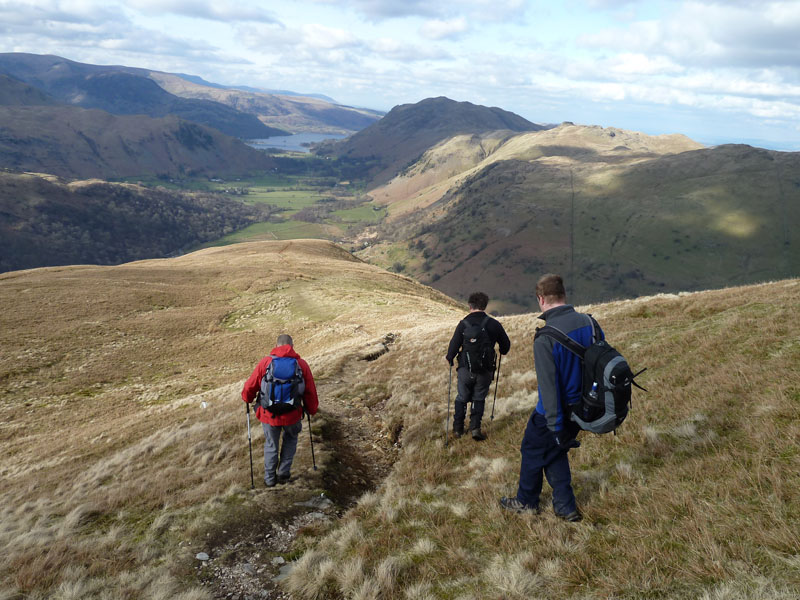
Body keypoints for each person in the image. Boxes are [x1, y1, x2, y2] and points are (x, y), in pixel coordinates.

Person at [500, 274, 603, 521]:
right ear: (563, 295)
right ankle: (565, 506)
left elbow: (549, 388)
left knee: (532, 448)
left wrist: (555, 425)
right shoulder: (590, 323)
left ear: (541, 299)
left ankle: (526, 501)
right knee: (555, 451)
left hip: (554, 412)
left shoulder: (545, 337)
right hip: (584, 407)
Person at [242, 334, 319, 487]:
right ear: (292, 345)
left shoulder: (266, 362)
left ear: (276, 345)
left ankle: (270, 479)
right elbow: (310, 390)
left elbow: (250, 386)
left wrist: (247, 398)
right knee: (290, 440)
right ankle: (284, 472)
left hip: (269, 415)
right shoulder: (301, 364)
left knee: (271, 445)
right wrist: (312, 409)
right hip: (293, 414)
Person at [445, 292, 511, 441]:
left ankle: (458, 429)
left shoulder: (463, 324)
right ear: (485, 306)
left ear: (470, 306)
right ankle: (475, 428)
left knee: (462, 397)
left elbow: (453, 347)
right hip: (485, 370)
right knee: (479, 398)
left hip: (465, 369)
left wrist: (450, 359)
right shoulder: (494, 324)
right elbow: (505, 347)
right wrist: (500, 350)